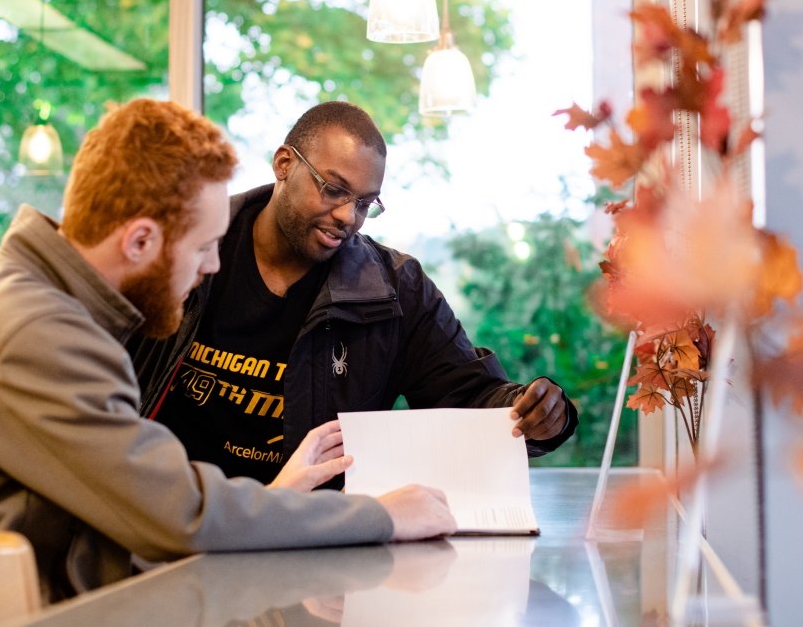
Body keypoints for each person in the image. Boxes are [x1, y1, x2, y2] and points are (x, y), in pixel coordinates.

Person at [0, 99, 455, 603]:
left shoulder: (36, 301)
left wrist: (267, 502)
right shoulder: (40, 332)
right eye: (203, 246)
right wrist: (382, 516)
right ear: (140, 241)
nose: (212, 265)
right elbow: (180, 515)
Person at [128, 101, 578, 485]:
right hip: (166, 514)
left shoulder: (397, 291)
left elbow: (470, 398)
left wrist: (533, 415)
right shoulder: (186, 248)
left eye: (365, 203)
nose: (348, 216)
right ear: (284, 164)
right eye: (333, 189)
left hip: (307, 537)